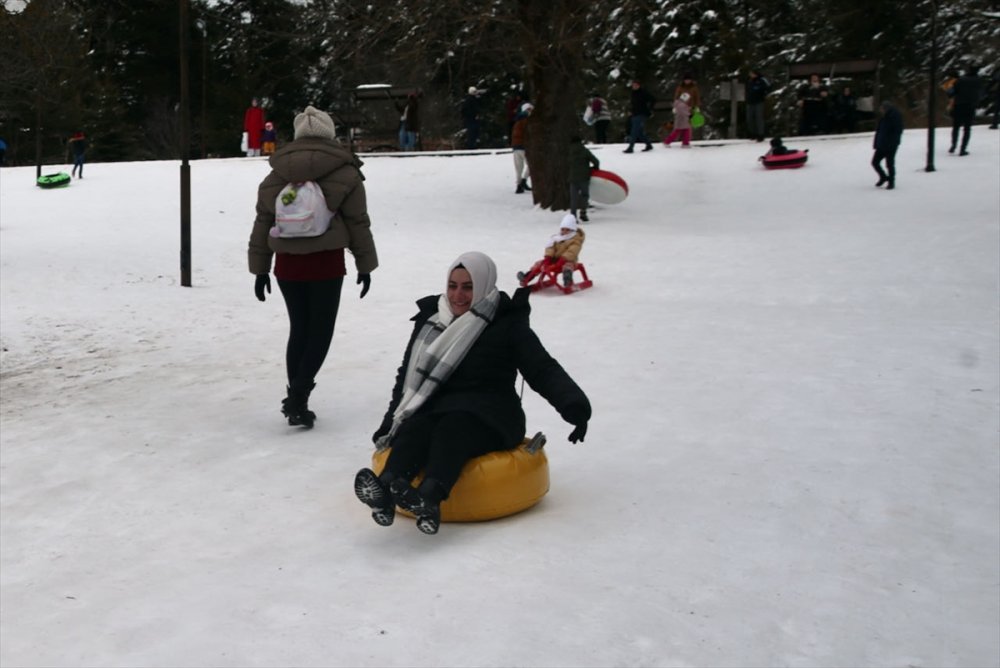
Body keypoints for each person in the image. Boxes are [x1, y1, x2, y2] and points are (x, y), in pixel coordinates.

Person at [354, 251, 591, 534]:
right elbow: (407, 378)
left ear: (483, 286)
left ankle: (429, 498)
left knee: (452, 428)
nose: (458, 295)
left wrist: (574, 407)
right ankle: (388, 488)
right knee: (415, 426)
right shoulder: (432, 320)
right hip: (437, 408)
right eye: (453, 286)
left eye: (468, 287)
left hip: (492, 414)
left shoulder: (506, 323)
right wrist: (390, 421)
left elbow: (542, 368)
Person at [248, 105, 379, 428]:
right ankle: (298, 397)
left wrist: (260, 269)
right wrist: (365, 265)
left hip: (286, 265)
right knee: (320, 330)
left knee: (300, 328)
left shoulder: (276, 174)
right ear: (328, 134)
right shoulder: (346, 172)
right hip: (325, 262)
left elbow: (263, 221)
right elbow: (357, 222)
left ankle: (298, 397)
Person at [516, 213, 587, 288]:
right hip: (554, 261)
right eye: (563, 229)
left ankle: (568, 281)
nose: (564, 232)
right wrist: (548, 257)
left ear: (572, 230)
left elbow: (572, 252)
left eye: (567, 230)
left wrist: (563, 259)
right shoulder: (556, 238)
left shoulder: (575, 240)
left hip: (568, 261)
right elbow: (550, 247)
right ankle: (527, 277)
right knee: (539, 264)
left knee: (567, 267)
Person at [950, 66, 982, 156]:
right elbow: (981, 93)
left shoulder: (961, 80)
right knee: (967, 129)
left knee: (956, 126)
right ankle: (963, 149)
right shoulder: (979, 81)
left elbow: (951, 92)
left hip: (959, 105)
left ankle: (953, 145)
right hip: (971, 106)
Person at [872, 101, 903, 190]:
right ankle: (884, 177)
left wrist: (892, 143)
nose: (880, 110)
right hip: (882, 144)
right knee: (875, 162)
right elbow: (880, 131)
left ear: (886, 108)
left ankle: (891, 181)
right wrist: (877, 143)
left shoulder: (894, 117)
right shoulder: (885, 117)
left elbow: (897, 131)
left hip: (890, 145)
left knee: (890, 164)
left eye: (882, 108)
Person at [568, 135, 599, 221]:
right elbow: (596, 161)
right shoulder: (585, 151)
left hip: (572, 178)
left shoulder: (569, 152)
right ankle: (583, 213)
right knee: (584, 195)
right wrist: (595, 169)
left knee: (573, 198)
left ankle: (573, 216)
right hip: (584, 177)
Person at [624, 80, 655, 153]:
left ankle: (631, 147)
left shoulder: (643, 92)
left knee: (634, 131)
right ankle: (648, 144)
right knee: (639, 132)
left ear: (639, 85)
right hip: (634, 114)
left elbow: (653, 99)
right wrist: (630, 111)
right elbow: (633, 104)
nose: (634, 86)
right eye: (633, 85)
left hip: (642, 113)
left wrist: (650, 109)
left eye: (636, 85)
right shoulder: (633, 93)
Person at [511, 102, 533, 193]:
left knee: (518, 168)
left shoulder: (517, 121)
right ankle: (524, 180)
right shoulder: (527, 121)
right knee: (532, 164)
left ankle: (519, 185)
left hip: (516, 146)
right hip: (524, 146)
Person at [745, 69, 770, 141]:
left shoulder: (761, 80)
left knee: (759, 118)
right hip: (750, 101)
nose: (751, 75)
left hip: (759, 101)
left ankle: (760, 134)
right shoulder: (749, 81)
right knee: (749, 118)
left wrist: (763, 93)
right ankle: (752, 133)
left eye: (752, 74)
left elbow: (768, 87)